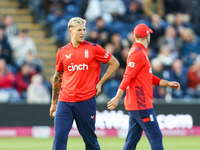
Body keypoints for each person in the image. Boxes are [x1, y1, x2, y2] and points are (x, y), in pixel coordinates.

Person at [49, 17, 119, 150]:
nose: (82, 33)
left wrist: (100, 82)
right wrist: (53, 103)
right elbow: (58, 77)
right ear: (71, 31)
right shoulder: (62, 52)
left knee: (90, 141)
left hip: (85, 101)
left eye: (84, 30)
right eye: (79, 30)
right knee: (59, 136)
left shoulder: (94, 49)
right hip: (64, 101)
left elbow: (115, 63)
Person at [107, 24, 180, 150]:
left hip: (137, 103)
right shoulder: (138, 53)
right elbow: (127, 76)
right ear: (147, 36)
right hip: (141, 104)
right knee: (155, 136)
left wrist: (166, 83)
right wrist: (117, 97)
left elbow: (147, 76)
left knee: (132, 140)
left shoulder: (136, 51)